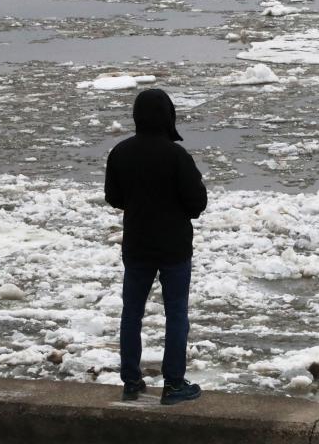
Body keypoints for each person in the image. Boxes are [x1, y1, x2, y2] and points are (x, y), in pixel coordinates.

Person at [105, 88, 208, 405]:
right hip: (174, 248)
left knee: (131, 313)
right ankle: (174, 384)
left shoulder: (120, 152)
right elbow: (196, 203)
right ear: (168, 116)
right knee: (176, 314)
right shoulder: (177, 156)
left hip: (137, 246)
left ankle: (131, 381)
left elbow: (113, 197)